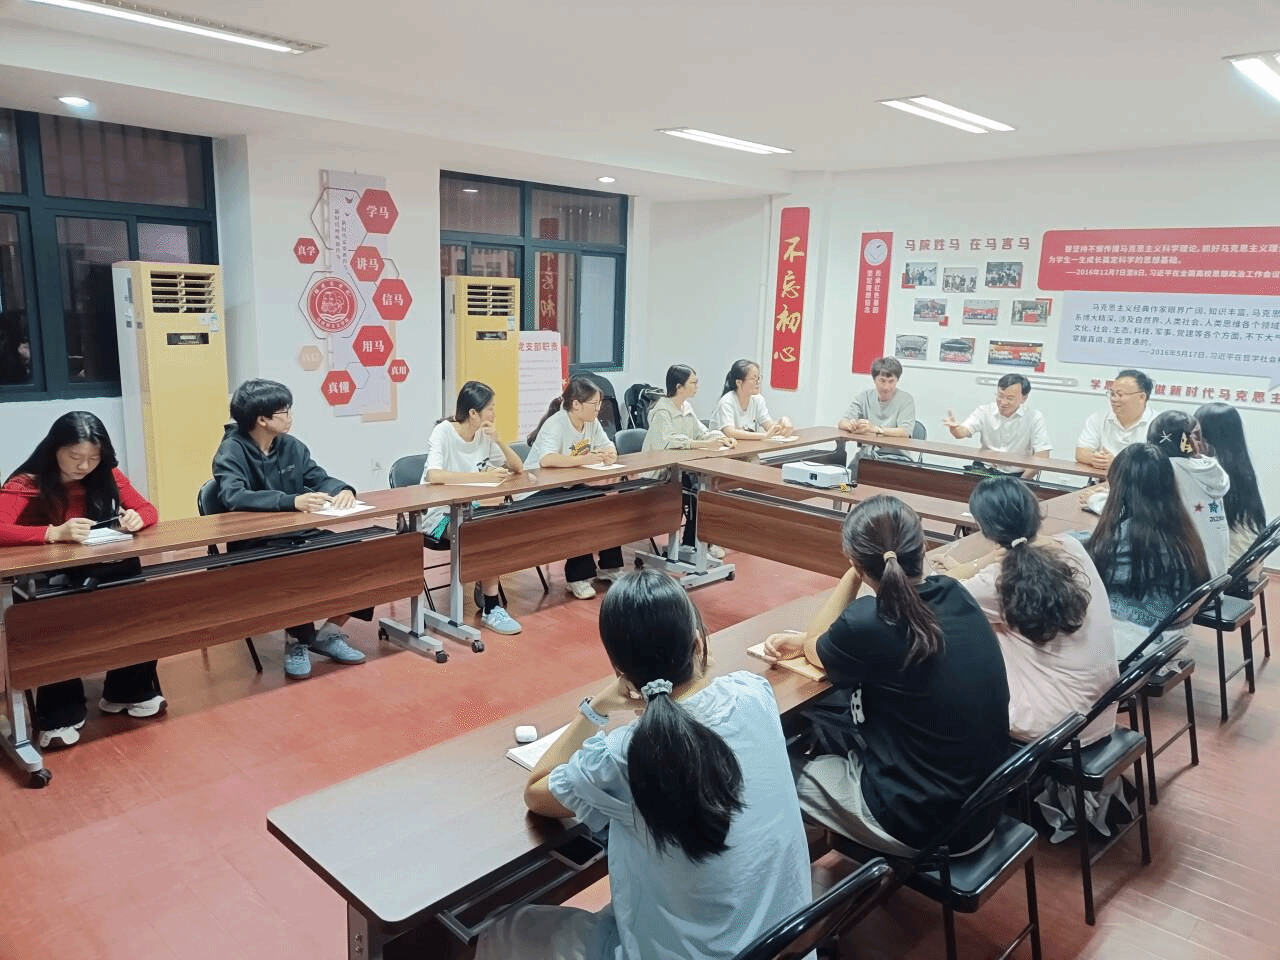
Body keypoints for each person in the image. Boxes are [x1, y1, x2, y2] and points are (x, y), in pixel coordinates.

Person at [480, 570, 811, 960]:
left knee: (503, 929)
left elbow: (537, 792)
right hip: (783, 944)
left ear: (620, 673)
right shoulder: (753, 693)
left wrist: (595, 708)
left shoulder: (625, 754)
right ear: (698, 644)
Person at [762, 495, 1009, 856]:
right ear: (923, 547)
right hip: (981, 811)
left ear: (856, 562)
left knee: (775, 773)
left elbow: (816, 644)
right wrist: (809, 638)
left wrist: (851, 574)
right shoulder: (955, 593)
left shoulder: (866, 621)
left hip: (925, 826)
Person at [0, 412, 165, 748]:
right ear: (54, 449)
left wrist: (137, 519)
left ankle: (127, 690)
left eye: (93, 458)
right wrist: (51, 533)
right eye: (75, 457)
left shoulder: (108, 474)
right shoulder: (27, 483)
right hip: (47, 578)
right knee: (59, 621)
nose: (84, 466)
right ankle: (59, 712)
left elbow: (148, 509)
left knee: (135, 596)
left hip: (99, 567)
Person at [211, 378, 370, 680]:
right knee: (295, 567)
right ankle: (297, 641)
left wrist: (343, 489)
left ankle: (329, 633)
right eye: (284, 411)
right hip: (256, 541)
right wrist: (290, 501)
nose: (290, 416)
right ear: (262, 419)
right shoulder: (231, 451)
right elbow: (233, 496)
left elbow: (318, 477)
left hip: (298, 533)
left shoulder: (290, 446)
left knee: (363, 555)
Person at [942, 477, 1118, 746]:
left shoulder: (997, 582)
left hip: (1056, 726)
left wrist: (971, 566)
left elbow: (942, 592)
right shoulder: (1071, 547)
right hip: (1100, 712)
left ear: (984, 530)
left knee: (960, 646)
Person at [421, 380, 525, 635]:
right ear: (473, 413)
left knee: (498, 525)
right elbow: (434, 475)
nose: (494, 414)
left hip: (473, 511)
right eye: (490, 408)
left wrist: (499, 441)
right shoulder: (443, 432)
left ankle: (488, 593)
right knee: (481, 531)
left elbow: (517, 467)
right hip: (438, 518)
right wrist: (482, 478)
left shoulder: (484, 436)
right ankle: (491, 604)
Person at [1083, 444, 1210, 649]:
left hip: (1143, 642)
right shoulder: (1179, 524)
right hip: (1172, 633)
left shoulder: (1133, 536)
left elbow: (1092, 567)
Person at [526, 376, 625, 600]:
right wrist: (585, 459)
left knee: (609, 504)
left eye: (600, 404)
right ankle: (577, 578)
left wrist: (610, 453)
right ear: (576, 404)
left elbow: (608, 445)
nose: (598, 409)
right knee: (581, 509)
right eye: (594, 404)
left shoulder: (591, 422)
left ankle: (609, 567)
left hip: (570, 484)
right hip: (538, 489)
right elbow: (547, 459)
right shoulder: (557, 423)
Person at [642, 364, 736, 561]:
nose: (697, 386)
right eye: (693, 382)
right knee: (697, 491)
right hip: (661, 474)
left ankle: (693, 543)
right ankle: (691, 544)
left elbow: (701, 432)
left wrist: (720, 438)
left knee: (705, 488)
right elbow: (666, 443)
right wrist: (700, 444)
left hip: (683, 470)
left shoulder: (686, 408)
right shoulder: (662, 411)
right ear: (679, 387)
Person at [1147, 410, 1230, 577]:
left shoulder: (1166, 468)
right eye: (1197, 436)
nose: (1200, 441)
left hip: (1186, 578)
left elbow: (1137, 503)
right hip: (1217, 573)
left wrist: (1095, 498)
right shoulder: (1211, 467)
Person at [942, 373, 1052, 478]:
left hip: (1014, 475)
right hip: (983, 470)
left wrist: (1022, 481)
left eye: (1009, 398)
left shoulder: (1034, 418)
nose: (1003, 402)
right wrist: (954, 428)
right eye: (1000, 396)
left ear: (1024, 398)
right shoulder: (984, 411)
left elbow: (1042, 455)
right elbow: (962, 432)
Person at [1196, 402, 1266, 565]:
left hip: (1230, 564)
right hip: (1248, 556)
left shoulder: (1212, 470)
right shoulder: (1240, 465)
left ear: (1207, 436)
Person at [1074, 368, 1155, 470]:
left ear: (1142, 397)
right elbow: (1081, 452)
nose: (1113, 399)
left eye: (1120, 394)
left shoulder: (1158, 424)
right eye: (1112, 394)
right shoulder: (1098, 418)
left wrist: (1116, 463)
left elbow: (1158, 465)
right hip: (1102, 479)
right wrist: (1094, 458)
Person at [709, 358, 794, 441]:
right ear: (739, 382)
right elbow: (730, 432)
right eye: (754, 379)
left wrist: (782, 422)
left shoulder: (758, 399)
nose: (758, 383)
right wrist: (763, 435)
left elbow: (768, 426)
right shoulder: (727, 401)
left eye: (758, 378)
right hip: (721, 447)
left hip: (744, 447)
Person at [837, 356, 917, 441]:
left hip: (893, 449)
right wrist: (852, 426)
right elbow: (842, 422)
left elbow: (905, 431)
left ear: (897, 380)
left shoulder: (906, 400)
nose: (886, 387)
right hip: (867, 448)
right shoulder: (864, 397)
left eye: (891, 381)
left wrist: (875, 429)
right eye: (882, 381)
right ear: (874, 380)